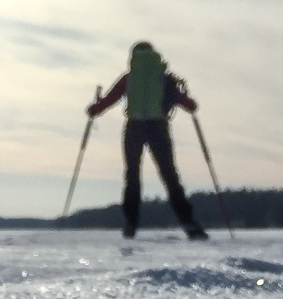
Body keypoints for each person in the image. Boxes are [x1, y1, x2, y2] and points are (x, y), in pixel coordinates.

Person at [87, 42, 207, 240]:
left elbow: (108, 101)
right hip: (158, 127)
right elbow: (189, 105)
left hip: (134, 127)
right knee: (170, 175)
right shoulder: (164, 77)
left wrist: (93, 109)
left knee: (132, 175)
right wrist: (188, 99)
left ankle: (131, 224)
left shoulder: (129, 78)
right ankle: (189, 222)